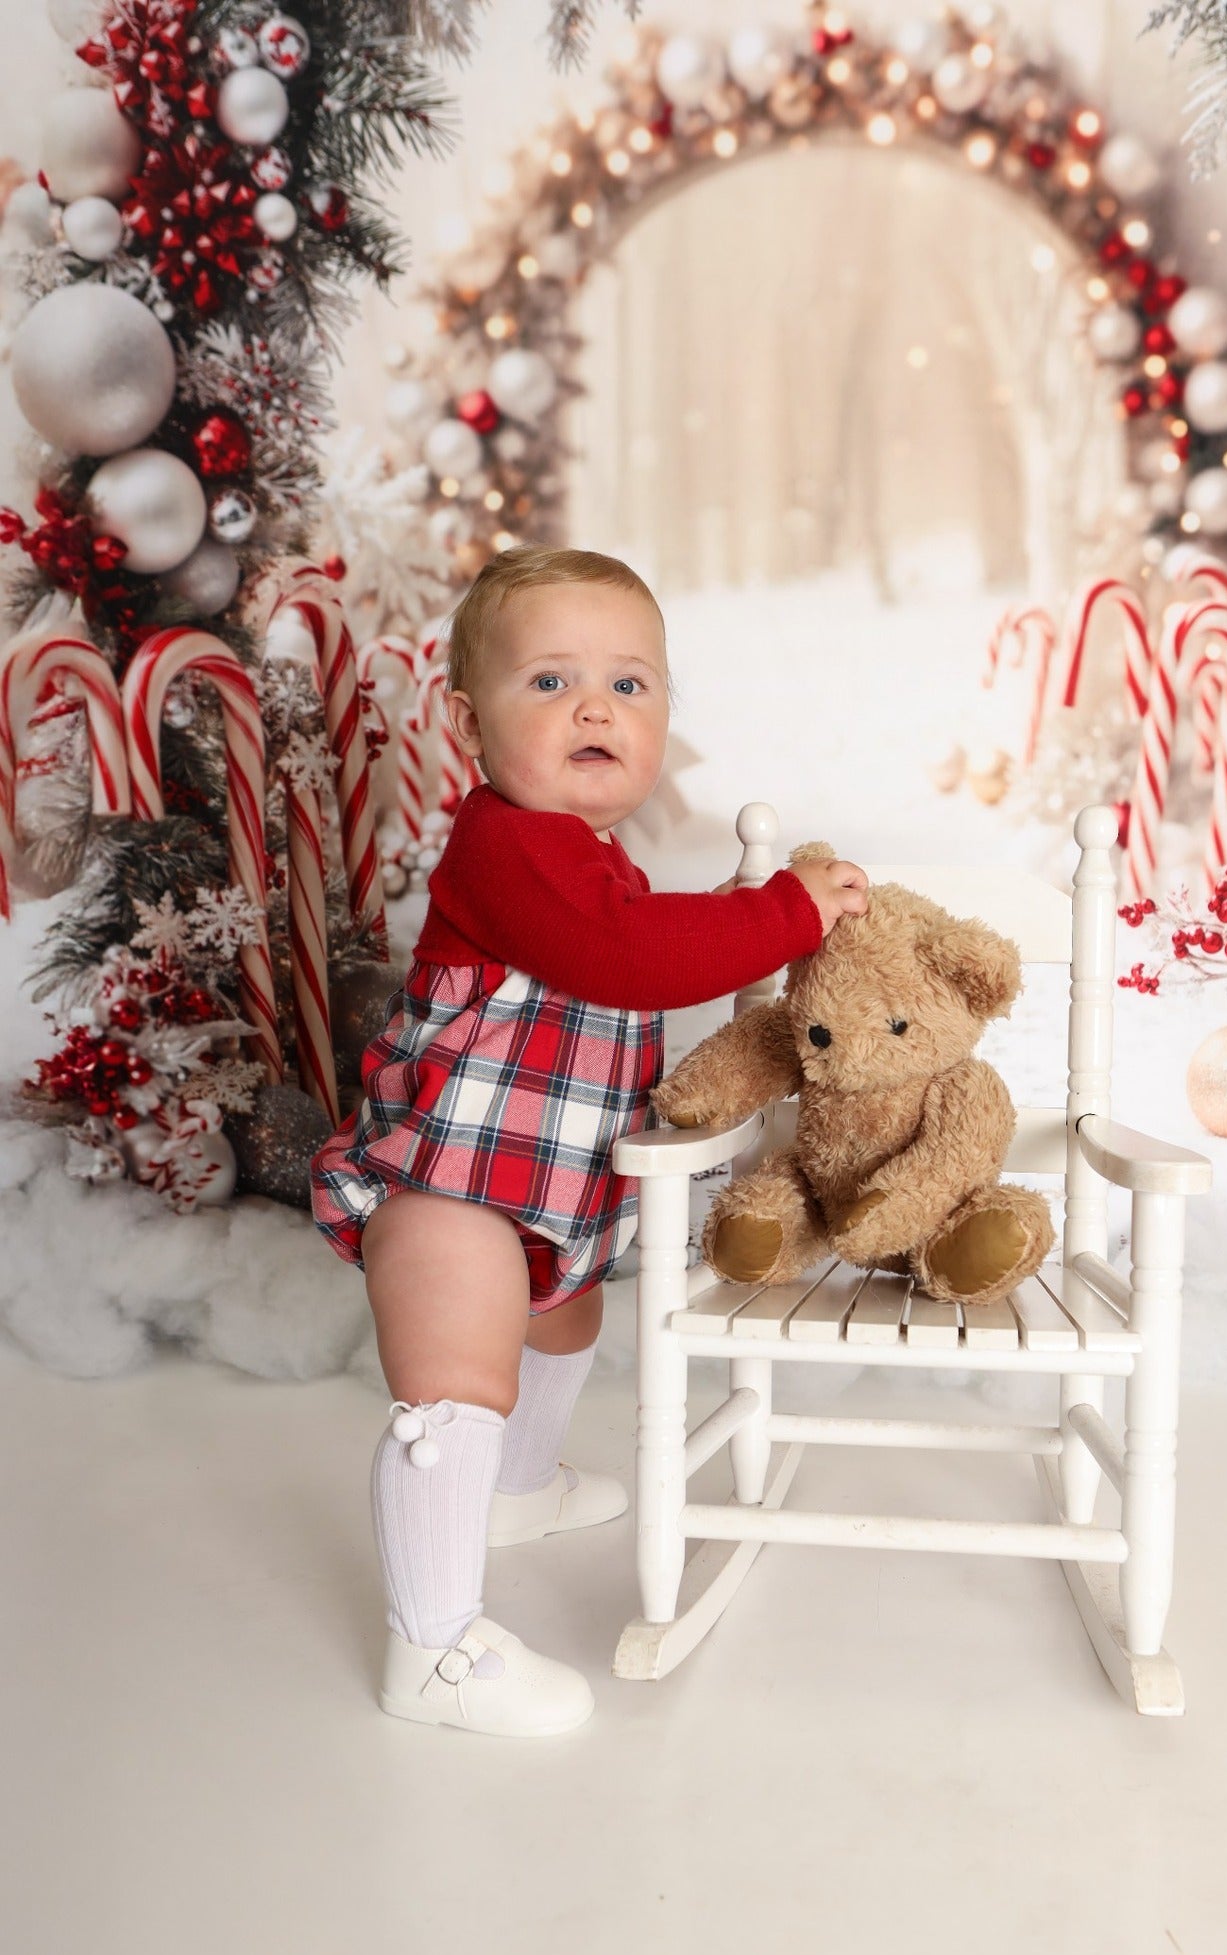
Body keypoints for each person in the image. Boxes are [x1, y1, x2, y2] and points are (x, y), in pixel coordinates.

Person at [311, 544, 868, 1737]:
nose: (595, 708)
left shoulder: (589, 856)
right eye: (550, 681)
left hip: (533, 1182)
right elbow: (629, 955)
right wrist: (784, 912)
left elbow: (635, 932)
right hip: (451, 1180)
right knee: (455, 1382)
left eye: (627, 683)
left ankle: (517, 1486)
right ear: (470, 725)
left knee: (561, 1317)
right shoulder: (508, 844)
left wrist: (740, 916)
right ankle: (433, 1646)